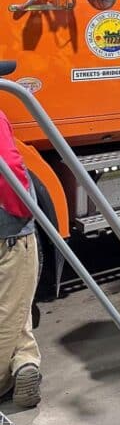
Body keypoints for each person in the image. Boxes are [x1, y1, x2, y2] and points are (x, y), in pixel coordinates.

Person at [0, 110, 40, 409]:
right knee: (8, 312)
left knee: (18, 302)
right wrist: (23, 212)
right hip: (9, 235)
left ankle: (25, 362)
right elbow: (9, 166)